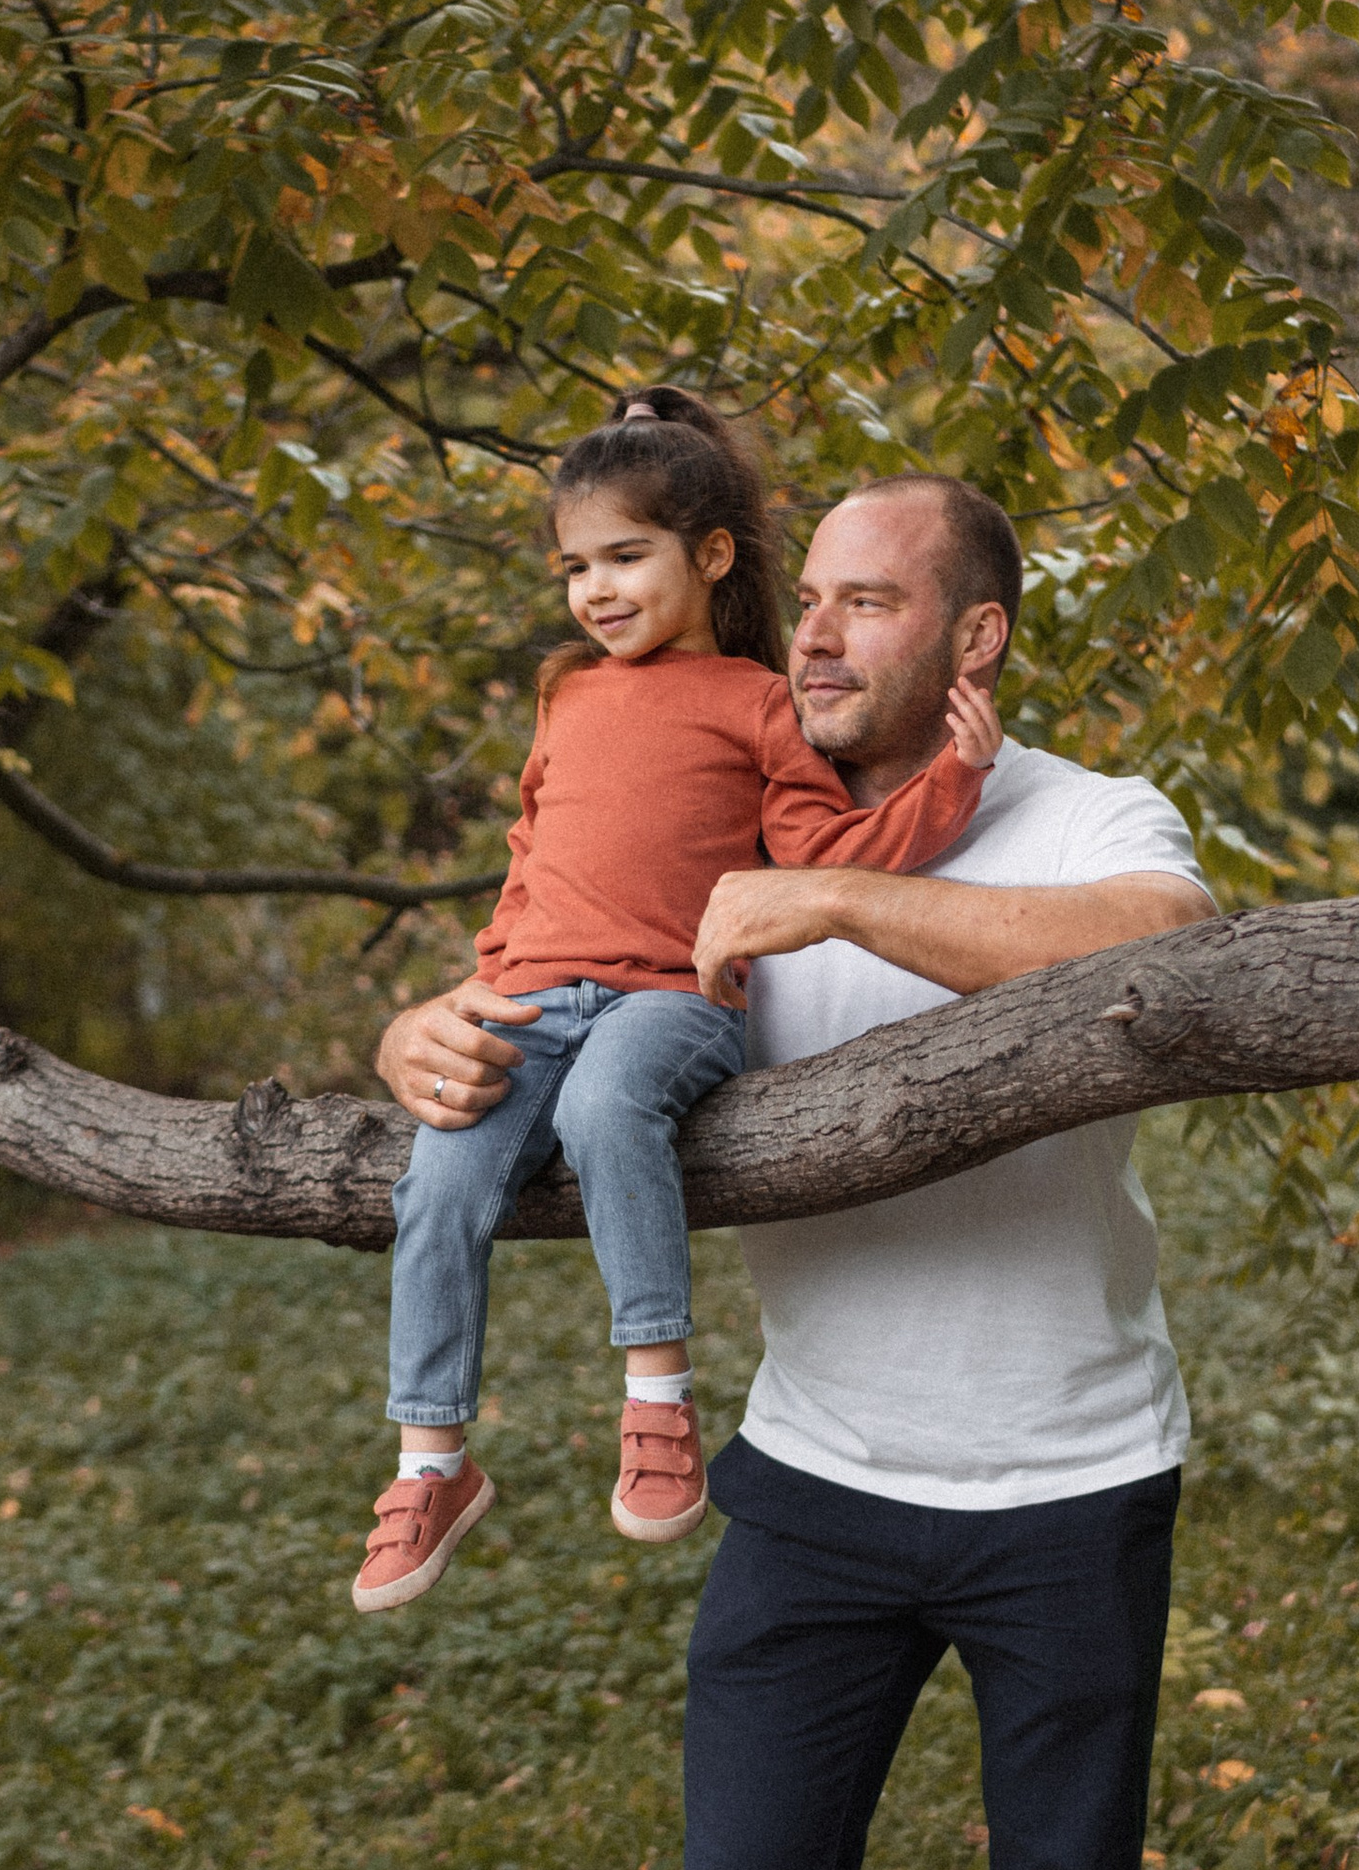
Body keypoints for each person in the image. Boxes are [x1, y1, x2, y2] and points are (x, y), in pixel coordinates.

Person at [375, 472, 1216, 1870]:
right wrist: (425, 1039)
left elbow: (1174, 957)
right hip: (811, 1489)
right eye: (808, 599)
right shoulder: (717, 812)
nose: (817, 637)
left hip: (1066, 1479)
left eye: (866, 603)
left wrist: (839, 908)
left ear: (974, 638)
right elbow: (563, 990)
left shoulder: (1086, 818)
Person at [355, 394, 998, 1614]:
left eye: (624, 557)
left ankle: (656, 1398)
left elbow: (831, 851)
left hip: (669, 999)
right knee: (436, 1181)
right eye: (575, 567)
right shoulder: (568, 699)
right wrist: (483, 979)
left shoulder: (758, 700)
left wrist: (957, 779)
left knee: (607, 1108)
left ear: (707, 556)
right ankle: (430, 1461)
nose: (595, 589)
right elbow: (530, 855)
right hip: (533, 999)